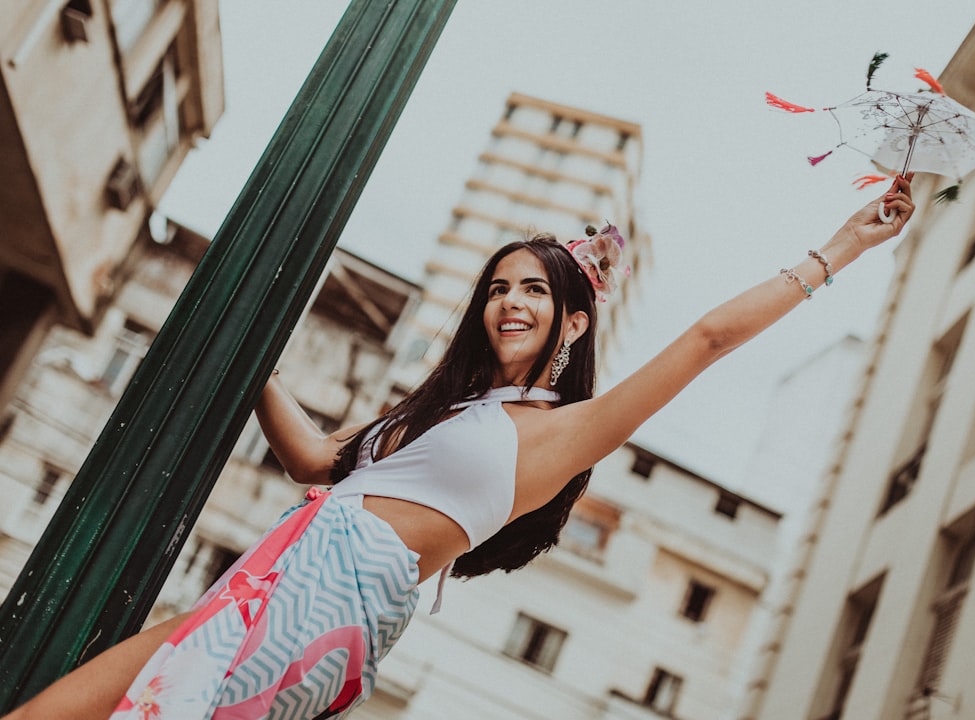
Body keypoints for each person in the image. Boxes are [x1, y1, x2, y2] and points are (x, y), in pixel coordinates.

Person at [3, 175, 915, 720]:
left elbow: (710, 337)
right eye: (499, 288)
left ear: (572, 319)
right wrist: (252, 360)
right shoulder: (440, 410)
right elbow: (317, 464)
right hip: (279, 569)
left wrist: (838, 248)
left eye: (534, 291)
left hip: (334, 601)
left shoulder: (560, 433)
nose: (510, 302)